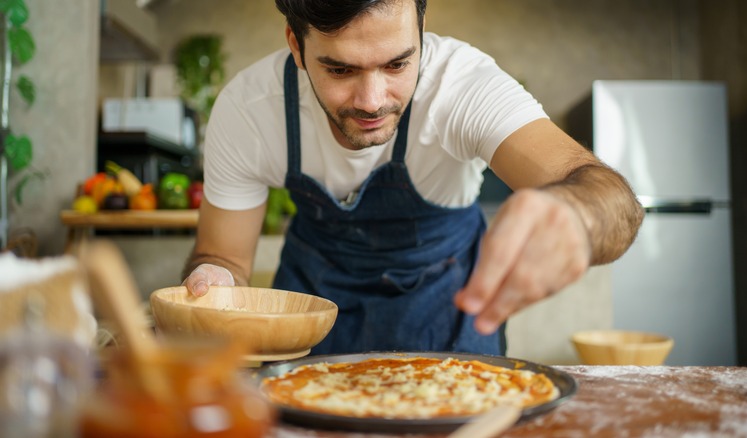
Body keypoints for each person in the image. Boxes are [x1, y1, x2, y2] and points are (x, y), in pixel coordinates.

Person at [182, 0, 644, 356]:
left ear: (421, 32)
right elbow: (222, 255)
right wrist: (213, 281)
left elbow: (610, 198)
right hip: (313, 314)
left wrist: (579, 215)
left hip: (448, 313)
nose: (372, 100)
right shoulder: (247, 110)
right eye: (340, 69)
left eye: (397, 64)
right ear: (296, 45)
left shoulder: (463, 85)